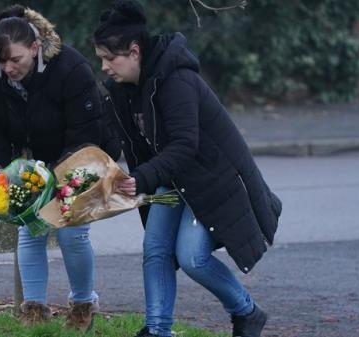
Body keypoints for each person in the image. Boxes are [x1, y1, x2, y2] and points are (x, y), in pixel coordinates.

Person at [93, 1, 282, 337]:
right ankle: (157, 330)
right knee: (155, 250)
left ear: (134, 51)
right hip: (172, 181)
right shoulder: (122, 91)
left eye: (110, 58)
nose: (105, 67)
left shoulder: (175, 79)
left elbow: (184, 145)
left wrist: (142, 178)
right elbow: (117, 141)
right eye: (101, 59)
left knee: (192, 257)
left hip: (210, 179)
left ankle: (247, 312)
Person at [0, 4, 120, 332]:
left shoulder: (71, 69)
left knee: (71, 231)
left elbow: (85, 133)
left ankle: (83, 303)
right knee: (30, 228)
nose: (8, 68)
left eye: (16, 60)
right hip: (34, 161)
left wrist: (51, 180)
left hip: (85, 153)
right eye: (1, 61)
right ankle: (34, 308)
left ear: (35, 48)